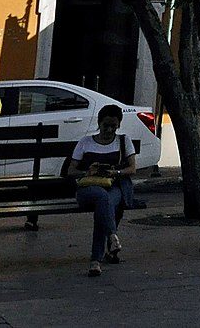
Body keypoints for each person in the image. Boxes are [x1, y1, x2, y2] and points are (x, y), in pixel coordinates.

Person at [61, 105, 135, 276]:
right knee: (102, 198)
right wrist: (88, 171)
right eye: (106, 126)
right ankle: (112, 236)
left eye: (113, 126)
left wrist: (115, 172)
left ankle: (96, 260)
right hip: (88, 186)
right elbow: (70, 170)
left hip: (113, 185)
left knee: (105, 204)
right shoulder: (85, 142)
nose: (109, 130)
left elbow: (132, 169)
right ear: (99, 123)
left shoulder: (123, 141)